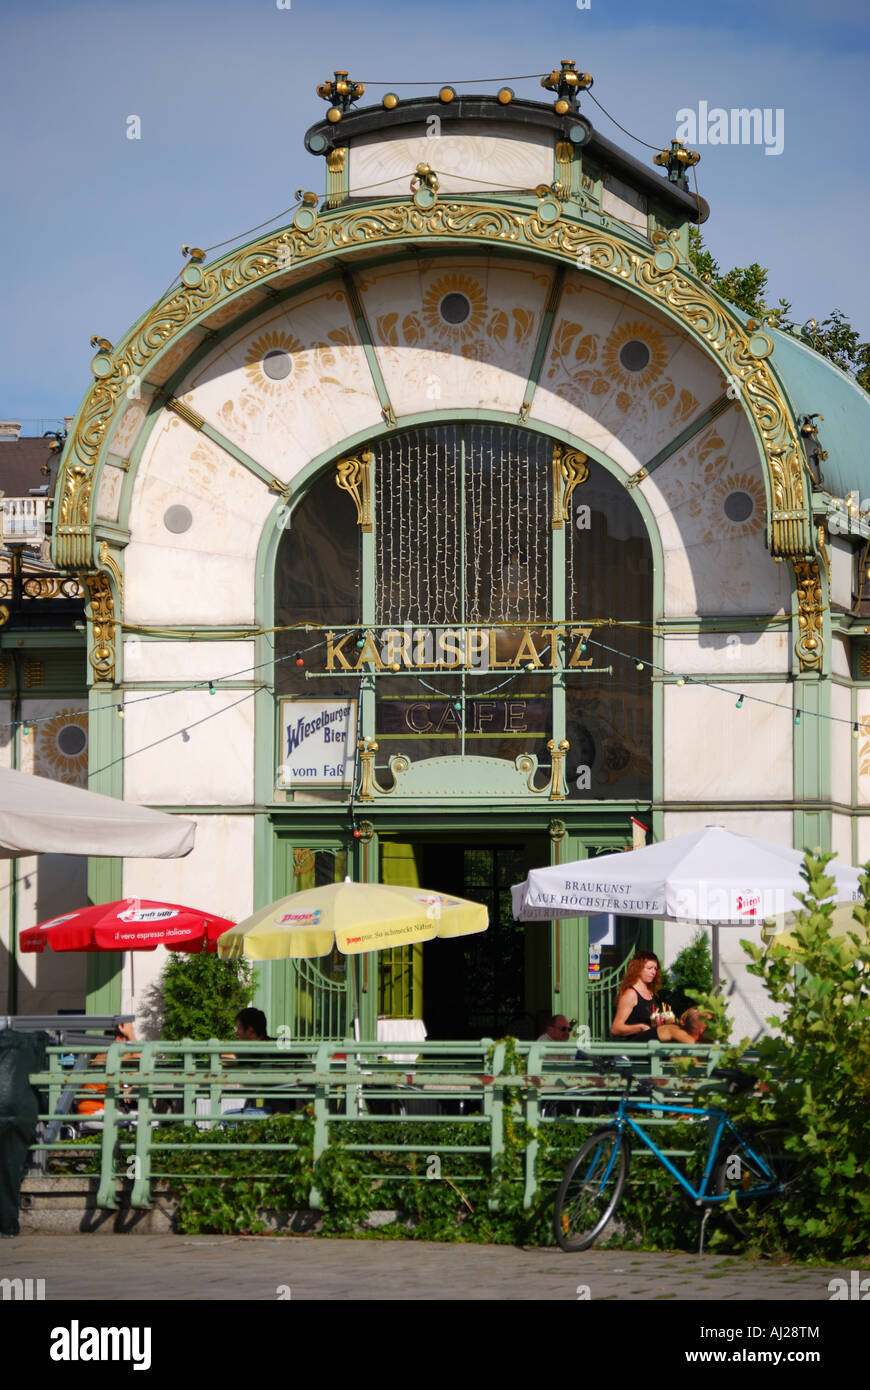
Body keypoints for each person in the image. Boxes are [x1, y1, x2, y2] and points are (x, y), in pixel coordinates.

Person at [611, 951, 699, 1044]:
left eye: (655, 969)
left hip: (652, 1043)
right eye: (649, 968)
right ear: (637, 968)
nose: (653, 972)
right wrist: (640, 1027)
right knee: (670, 1030)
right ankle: (700, 1051)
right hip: (636, 1044)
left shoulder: (651, 993)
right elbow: (615, 1028)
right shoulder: (630, 994)